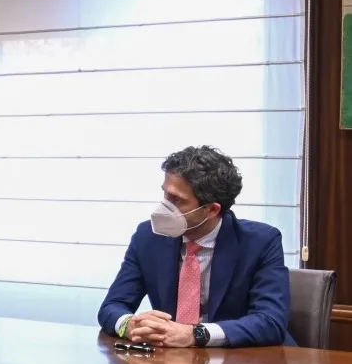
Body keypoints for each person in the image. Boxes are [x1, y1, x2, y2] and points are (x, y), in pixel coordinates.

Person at [97, 145, 293, 348]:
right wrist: (129, 325)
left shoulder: (261, 242)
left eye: (176, 200)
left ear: (211, 210)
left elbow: (271, 322)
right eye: (165, 195)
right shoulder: (149, 236)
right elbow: (112, 306)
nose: (163, 207)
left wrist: (195, 334)